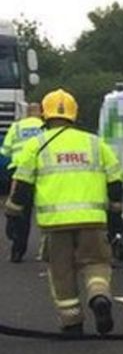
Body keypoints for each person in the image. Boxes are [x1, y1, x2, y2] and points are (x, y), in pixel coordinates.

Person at [3, 89, 123, 336]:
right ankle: (99, 296)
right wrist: (115, 215)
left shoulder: (36, 145)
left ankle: (72, 323)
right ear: (74, 114)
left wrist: (13, 214)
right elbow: (115, 180)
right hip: (92, 220)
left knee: (62, 271)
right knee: (97, 264)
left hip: (55, 224)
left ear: (45, 115)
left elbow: (22, 185)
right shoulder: (94, 142)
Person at [2, 102, 44, 261]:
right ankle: (44, 250)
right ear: (40, 113)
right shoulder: (45, 127)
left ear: (26, 113)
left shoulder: (17, 127)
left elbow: (5, 150)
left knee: (21, 212)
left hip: (20, 173)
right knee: (44, 212)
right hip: (41, 173)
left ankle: (17, 251)